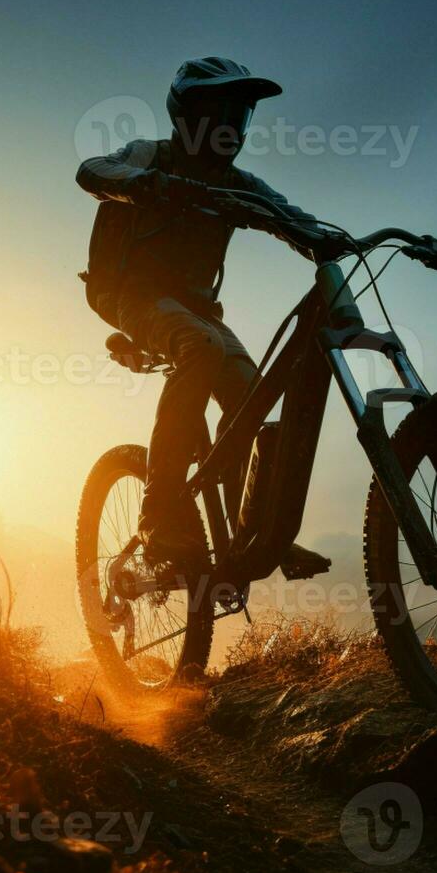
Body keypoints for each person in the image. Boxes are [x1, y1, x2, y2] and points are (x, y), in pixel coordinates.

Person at [76, 57, 340, 572]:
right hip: (131, 294)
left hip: (196, 309)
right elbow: (93, 171)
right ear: (187, 115)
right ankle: (160, 515)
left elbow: (293, 218)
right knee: (202, 345)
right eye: (219, 113)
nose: (230, 128)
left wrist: (348, 240)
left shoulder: (237, 182)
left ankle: (258, 531)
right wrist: (149, 184)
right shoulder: (151, 155)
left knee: (252, 394)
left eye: (239, 116)